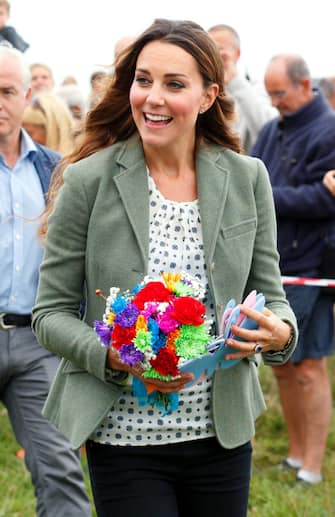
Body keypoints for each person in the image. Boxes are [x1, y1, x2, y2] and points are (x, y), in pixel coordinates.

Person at [32, 19, 297, 517]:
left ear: (207, 96)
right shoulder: (88, 180)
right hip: (123, 438)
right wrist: (117, 357)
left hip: (221, 436)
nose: (152, 97)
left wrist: (280, 333)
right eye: (143, 79)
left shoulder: (247, 177)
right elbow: (48, 315)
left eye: (174, 84)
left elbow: (271, 294)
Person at [0, 46, 91, 516]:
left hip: (37, 340)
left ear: (28, 94)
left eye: (7, 91)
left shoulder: (55, 170)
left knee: (59, 467)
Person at [251, 53, 335, 485]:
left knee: (309, 366)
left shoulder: (329, 129)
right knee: (282, 364)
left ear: (305, 86)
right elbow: (252, 178)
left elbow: (325, 200)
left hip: (311, 265)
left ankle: (314, 467)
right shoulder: (270, 129)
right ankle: (295, 454)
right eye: (269, 95)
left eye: (279, 93)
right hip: (275, 264)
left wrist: (267, 195)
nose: (273, 102)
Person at [208, 24, 276, 154]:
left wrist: (235, 81)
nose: (214, 57)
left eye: (219, 50)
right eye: (209, 51)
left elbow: (268, 130)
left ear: (237, 54)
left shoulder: (255, 90)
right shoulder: (200, 92)